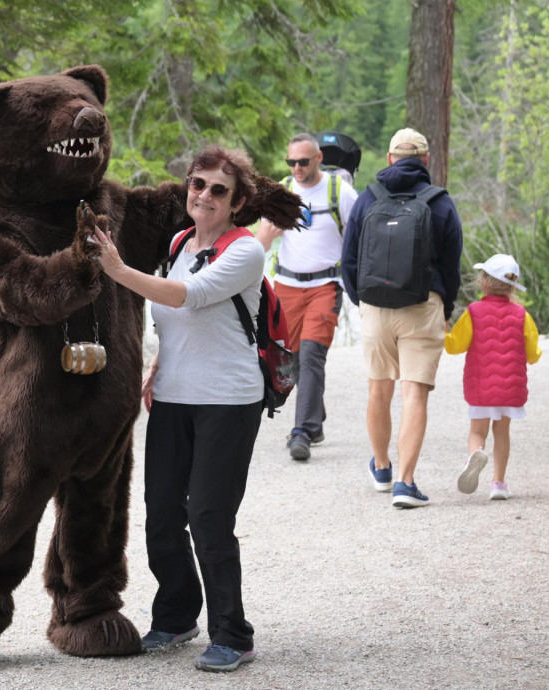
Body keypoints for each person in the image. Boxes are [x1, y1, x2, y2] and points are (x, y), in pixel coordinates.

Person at [92, 145, 265, 673]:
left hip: (228, 402)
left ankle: (233, 635)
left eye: (219, 189)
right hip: (173, 397)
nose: (204, 195)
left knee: (210, 518)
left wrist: (117, 269)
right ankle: (175, 616)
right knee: (163, 516)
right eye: (198, 184)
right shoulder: (180, 242)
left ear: (237, 202)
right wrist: (159, 367)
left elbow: (187, 297)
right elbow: (177, 323)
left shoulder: (246, 251)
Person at [341, 127, 463, 508]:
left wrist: (363, 301)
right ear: (425, 160)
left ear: (390, 159)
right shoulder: (440, 202)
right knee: (414, 394)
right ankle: (406, 484)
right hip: (422, 304)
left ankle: (381, 467)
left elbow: (348, 260)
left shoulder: (367, 199)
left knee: (379, 389)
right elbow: (452, 264)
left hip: (375, 306)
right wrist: (445, 307)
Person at [256, 133, 358, 461]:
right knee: (293, 359)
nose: (297, 168)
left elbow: (358, 235)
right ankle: (316, 416)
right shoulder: (283, 191)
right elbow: (263, 238)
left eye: (303, 161)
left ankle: (301, 431)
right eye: (291, 162)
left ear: (318, 158)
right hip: (286, 284)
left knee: (313, 353)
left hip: (325, 284)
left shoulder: (339, 191)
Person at [444, 254, 542, 500]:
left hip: (481, 388)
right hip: (510, 389)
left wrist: (444, 331)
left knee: (478, 430)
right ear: (511, 287)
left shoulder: (473, 312)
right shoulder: (522, 315)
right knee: (502, 433)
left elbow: (455, 346)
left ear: (484, 282)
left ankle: (475, 453)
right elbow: (532, 354)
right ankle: (498, 484)